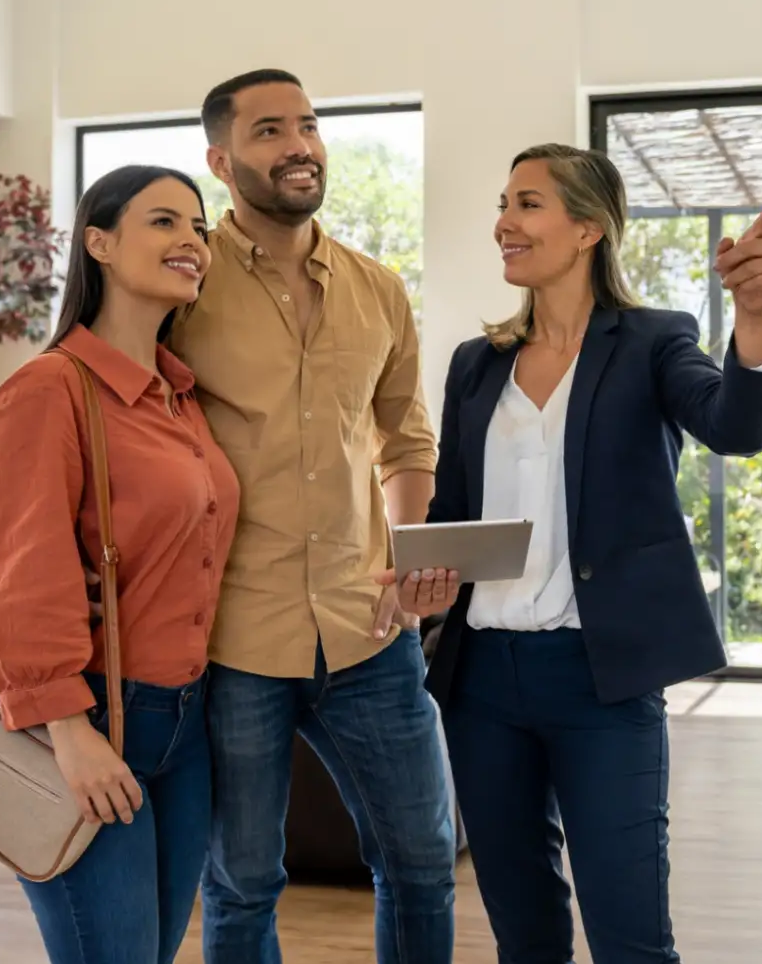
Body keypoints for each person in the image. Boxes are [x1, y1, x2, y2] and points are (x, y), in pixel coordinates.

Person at [412, 143, 762, 964]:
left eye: (527, 205)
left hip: (603, 678)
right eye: (504, 205)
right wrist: (423, 577)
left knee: (630, 935)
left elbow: (736, 426)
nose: (503, 224)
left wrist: (754, 322)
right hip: (482, 686)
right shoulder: (477, 366)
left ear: (589, 227)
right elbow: (451, 508)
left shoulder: (653, 342)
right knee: (525, 933)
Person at [166, 68, 457, 964]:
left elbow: (405, 439)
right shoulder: (183, 288)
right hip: (233, 640)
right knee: (243, 882)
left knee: (421, 861)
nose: (298, 145)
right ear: (220, 161)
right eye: (267, 131)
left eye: (308, 125)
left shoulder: (379, 288)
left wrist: (408, 558)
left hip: (368, 631)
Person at [0, 165, 235, 964]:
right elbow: (19, 576)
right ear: (100, 244)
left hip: (184, 721)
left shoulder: (181, 397)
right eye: (164, 222)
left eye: (199, 228)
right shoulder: (47, 391)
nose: (190, 241)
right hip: (92, 721)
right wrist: (69, 731)